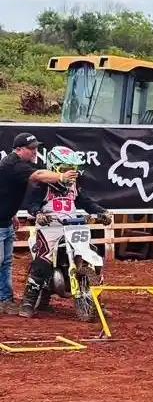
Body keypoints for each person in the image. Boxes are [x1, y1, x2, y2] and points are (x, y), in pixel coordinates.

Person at [19, 146, 112, 318]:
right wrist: (38, 214)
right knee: (43, 261)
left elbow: (87, 202)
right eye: (65, 169)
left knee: (91, 254)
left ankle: (95, 302)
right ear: (54, 168)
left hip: (73, 226)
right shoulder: (43, 185)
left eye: (73, 170)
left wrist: (101, 211)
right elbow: (31, 204)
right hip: (50, 227)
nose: (70, 173)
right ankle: (28, 302)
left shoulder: (74, 187)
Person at [0, 133, 79, 315]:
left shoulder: (20, 164)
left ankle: (5, 300)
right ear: (19, 150)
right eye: (31, 148)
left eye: (36, 148)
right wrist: (61, 177)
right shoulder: (15, 164)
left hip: (4, 220)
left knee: (5, 263)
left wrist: (11, 213)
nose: (35, 152)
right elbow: (38, 175)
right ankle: (5, 299)